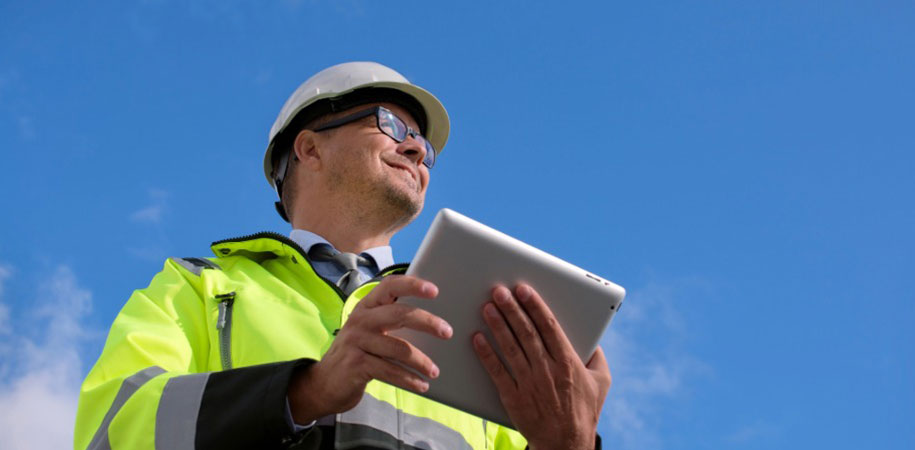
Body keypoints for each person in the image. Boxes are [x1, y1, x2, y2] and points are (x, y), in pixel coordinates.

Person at [74, 62, 611, 450]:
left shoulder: (466, 317)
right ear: (310, 148)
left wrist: (570, 444)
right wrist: (304, 392)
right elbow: (114, 428)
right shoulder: (198, 288)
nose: (417, 149)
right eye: (392, 126)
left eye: (425, 146)